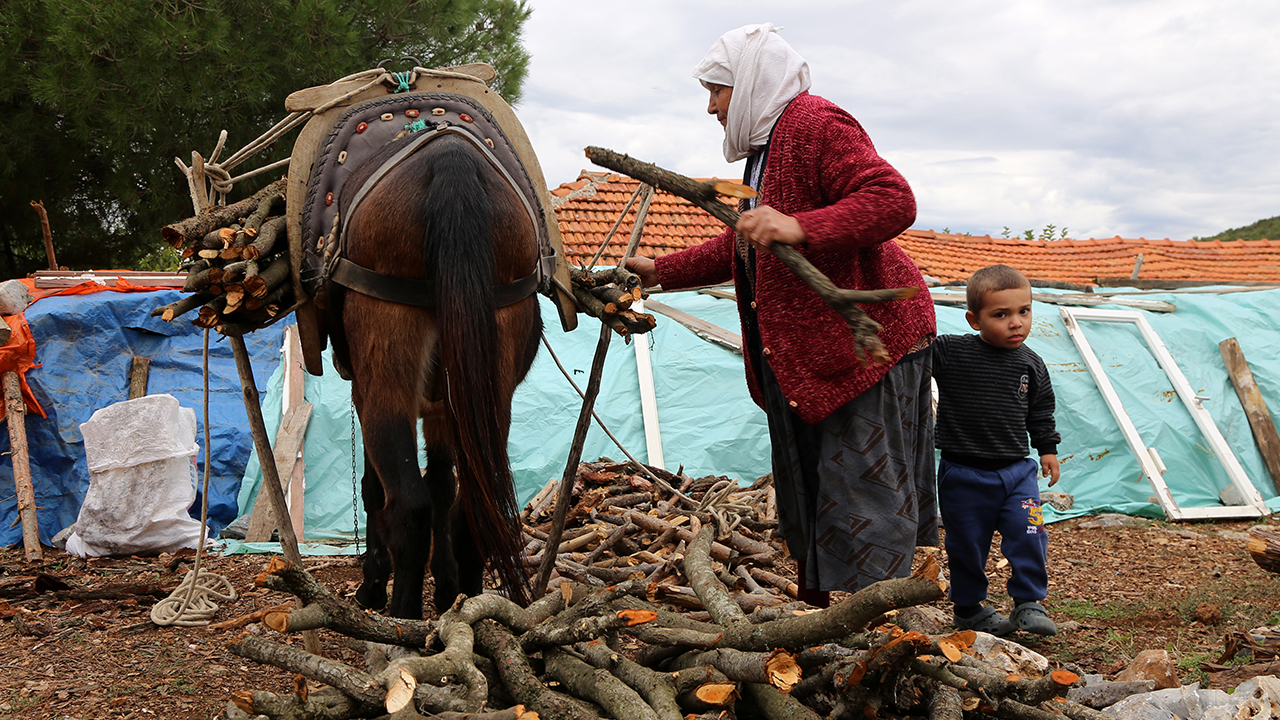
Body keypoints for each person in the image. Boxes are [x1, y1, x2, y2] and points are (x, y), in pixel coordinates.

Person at [626, 23, 938, 605]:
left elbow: (892, 199)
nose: (712, 107)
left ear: (751, 81)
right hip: (811, 353)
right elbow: (745, 243)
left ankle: (879, 628)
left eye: (717, 90)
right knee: (812, 493)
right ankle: (822, 620)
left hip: (866, 346)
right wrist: (660, 270)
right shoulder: (765, 154)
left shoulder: (817, 124)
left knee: (862, 494)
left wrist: (799, 225)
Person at [931, 264, 1060, 637]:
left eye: (1024, 311)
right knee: (966, 545)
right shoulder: (951, 352)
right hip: (963, 474)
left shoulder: (1031, 363)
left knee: (1030, 531)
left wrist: (1047, 448)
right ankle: (968, 609)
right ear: (975, 320)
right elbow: (910, 352)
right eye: (1000, 315)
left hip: (1017, 472)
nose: (1016, 322)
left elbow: (1041, 410)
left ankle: (1028, 602)